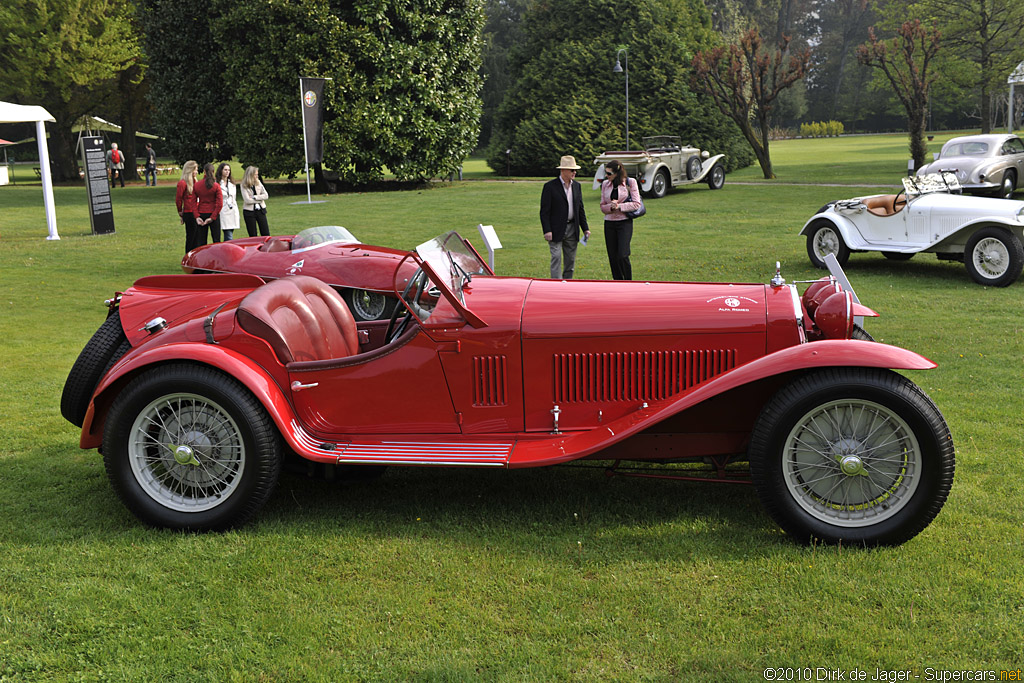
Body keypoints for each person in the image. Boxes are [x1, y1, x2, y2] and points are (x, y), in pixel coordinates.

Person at [539, 155, 590, 279]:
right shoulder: (550, 187)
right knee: (556, 257)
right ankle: (555, 285)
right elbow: (544, 211)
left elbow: (580, 209)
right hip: (555, 228)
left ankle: (567, 284)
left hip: (573, 228)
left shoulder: (577, 186)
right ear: (563, 170)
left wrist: (585, 228)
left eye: (575, 170)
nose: (574, 172)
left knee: (570, 260)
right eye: (572, 170)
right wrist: (547, 230)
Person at [599, 159, 642, 280]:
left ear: (617, 173)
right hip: (609, 223)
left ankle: (628, 281)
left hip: (624, 223)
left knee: (623, 254)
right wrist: (611, 208)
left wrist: (619, 206)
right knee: (612, 257)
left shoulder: (630, 182)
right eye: (605, 173)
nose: (606, 176)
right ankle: (617, 282)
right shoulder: (605, 184)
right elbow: (602, 206)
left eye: (609, 173)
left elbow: (636, 204)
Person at [193, 163, 223, 245]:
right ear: (213, 172)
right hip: (213, 213)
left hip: (202, 213)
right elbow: (219, 203)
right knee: (216, 240)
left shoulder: (197, 185)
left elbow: (193, 202)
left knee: (201, 241)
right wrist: (213, 217)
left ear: (204, 172)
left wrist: (197, 216)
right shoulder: (216, 186)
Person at [175, 160, 200, 254]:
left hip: (197, 212)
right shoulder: (183, 183)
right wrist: (180, 211)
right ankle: (188, 257)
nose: (196, 172)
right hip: (189, 212)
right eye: (195, 170)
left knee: (198, 237)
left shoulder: (195, 182)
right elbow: (178, 199)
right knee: (191, 236)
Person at [240, 166, 270, 237]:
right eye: (255, 175)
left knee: (265, 232)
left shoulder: (258, 182)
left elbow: (266, 195)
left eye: (257, 174)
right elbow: (247, 200)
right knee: (252, 234)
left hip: (261, 210)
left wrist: (255, 197)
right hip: (249, 212)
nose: (257, 176)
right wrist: (260, 199)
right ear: (250, 175)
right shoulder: (243, 185)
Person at [216, 163, 240, 240]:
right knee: (228, 234)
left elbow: (234, 198)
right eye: (225, 170)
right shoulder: (217, 184)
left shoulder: (232, 183)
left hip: (232, 210)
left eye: (228, 170)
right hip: (223, 210)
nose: (227, 172)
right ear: (221, 171)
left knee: (230, 233)